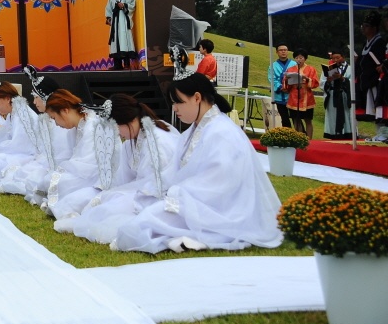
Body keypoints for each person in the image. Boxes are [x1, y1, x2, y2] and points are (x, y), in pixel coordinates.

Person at [112, 73, 282, 254]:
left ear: (197, 98)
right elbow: (174, 171)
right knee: (139, 211)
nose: (175, 108)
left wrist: (178, 194)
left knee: (141, 225)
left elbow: (219, 182)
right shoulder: (194, 131)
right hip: (193, 199)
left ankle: (193, 236)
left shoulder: (222, 132)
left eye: (179, 102)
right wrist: (155, 189)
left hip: (218, 208)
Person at [68, 94, 179, 244]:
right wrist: (110, 194)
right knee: (103, 201)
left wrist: (119, 196)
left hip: (159, 198)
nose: (117, 133)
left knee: (108, 210)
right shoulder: (131, 142)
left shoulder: (157, 142)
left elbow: (155, 186)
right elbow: (123, 179)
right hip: (142, 193)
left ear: (130, 120)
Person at [47, 92, 120, 228]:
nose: (56, 123)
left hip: (99, 181)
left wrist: (65, 171)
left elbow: (89, 166)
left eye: (54, 118)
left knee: (63, 189)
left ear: (65, 111)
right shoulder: (77, 128)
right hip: (86, 176)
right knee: (53, 180)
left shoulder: (93, 127)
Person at [356, 10, 388, 142]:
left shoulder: (380, 42)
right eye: (363, 26)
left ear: (374, 28)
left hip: (377, 79)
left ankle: (384, 133)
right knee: (376, 108)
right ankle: (380, 132)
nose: (363, 28)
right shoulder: (367, 43)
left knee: (381, 106)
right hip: (369, 80)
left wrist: (383, 66)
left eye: (367, 26)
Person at [105, 0, 137, 70]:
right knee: (115, 42)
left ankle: (127, 64)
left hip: (123, 21)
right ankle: (117, 65)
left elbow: (132, 5)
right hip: (115, 22)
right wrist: (109, 18)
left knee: (124, 41)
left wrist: (124, 6)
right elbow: (108, 9)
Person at [284, 49, 319, 139]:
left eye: (301, 58)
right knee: (296, 120)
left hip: (307, 98)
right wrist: (287, 80)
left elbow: (315, 82)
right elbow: (286, 86)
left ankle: (309, 140)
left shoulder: (311, 69)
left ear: (305, 58)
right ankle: (299, 138)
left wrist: (307, 79)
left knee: (308, 120)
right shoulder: (291, 69)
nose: (299, 60)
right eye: (296, 58)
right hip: (294, 98)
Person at [322, 48, 352, 140]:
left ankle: (347, 133)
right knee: (332, 115)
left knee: (346, 115)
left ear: (343, 57)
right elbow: (321, 83)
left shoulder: (350, 69)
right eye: (333, 58)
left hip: (344, 95)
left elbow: (353, 83)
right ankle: (333, 133)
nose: (335, 60)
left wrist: (342, 78)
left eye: (338, 58)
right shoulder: (329, 68)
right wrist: (328, 81)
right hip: (332, 95)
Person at [268, 44, 294, 128]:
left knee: (296, 118)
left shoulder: (294, 64)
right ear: (277, 52)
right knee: (285, 119)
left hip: (292, 96)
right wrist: (281, 87)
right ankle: (287, 134)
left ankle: (300, 134)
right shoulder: (273, 66)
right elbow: (272, 79)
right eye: (281, 50)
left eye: (285, 50)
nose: (283, 52)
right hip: (279, 96)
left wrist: (289, 87)